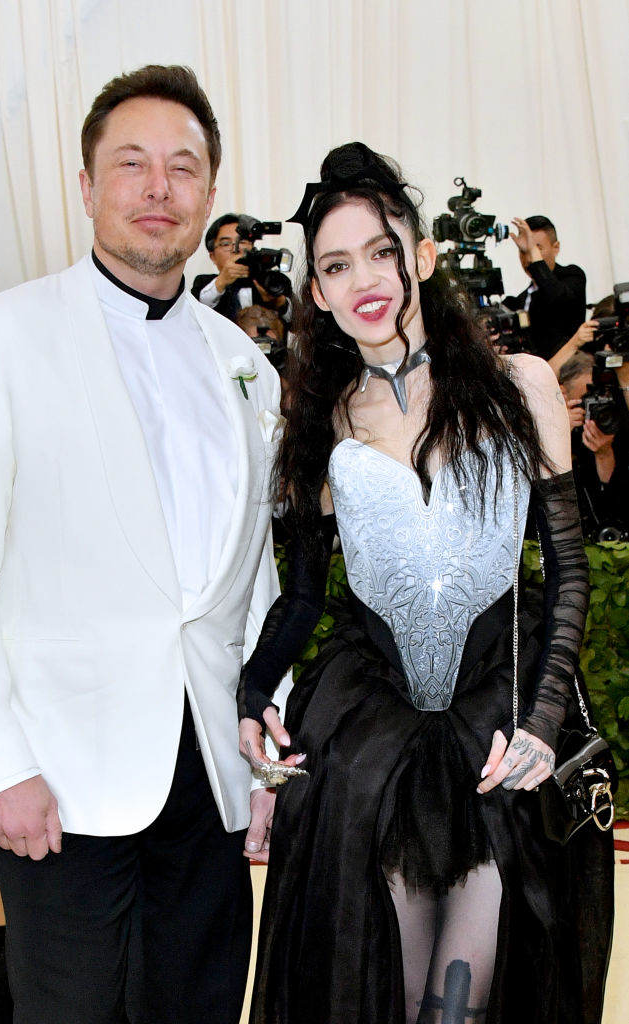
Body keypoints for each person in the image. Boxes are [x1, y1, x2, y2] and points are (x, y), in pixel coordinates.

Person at [0, 64, 286, 1024]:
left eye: (182, 167)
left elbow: (257, 579)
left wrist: (265, 758)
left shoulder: (246, 364)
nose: (158, 187)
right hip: (58, 781)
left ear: (209, 190)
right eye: (131, 163)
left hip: (209, 774)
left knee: (201, 1006)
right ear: (86, 186)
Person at [237, 143, 613, 1023]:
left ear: (424, 255)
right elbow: (303, 597)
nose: (363, 279)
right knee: (390, 993)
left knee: (462, 1000)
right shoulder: (319, 419)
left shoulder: (519, 385)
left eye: (381, 251)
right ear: (317, 291)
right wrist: (251, 694)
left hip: (497, 722)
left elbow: (565, 567)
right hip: (373, 735)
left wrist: (542, 720)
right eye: (336, 264)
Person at [559, 351, 629, 541]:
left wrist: (604, 454)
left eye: (602, 397)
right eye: (588, 398)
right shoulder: (549, 426)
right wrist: (559, 434)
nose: (597, 406)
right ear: (563, 393)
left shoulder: (614, 426)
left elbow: (614, 509)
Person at [503, 216, 586, 360]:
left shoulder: (572, 276)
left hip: (568, 367)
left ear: (556, 248)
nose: (528, 258)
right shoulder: (523, 298)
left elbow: (556, 296)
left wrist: (533, 253)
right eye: (523, 251)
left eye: (537, 248)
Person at [192, 213, 293, 330]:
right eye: (226, 244)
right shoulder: (205, 283)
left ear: (252, 247)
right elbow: (195, 314)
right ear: (212, 256)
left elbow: (298, 324)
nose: (236, 249)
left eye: (242, 241)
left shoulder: (271, 281)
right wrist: (221, 282)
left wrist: (280, 302)